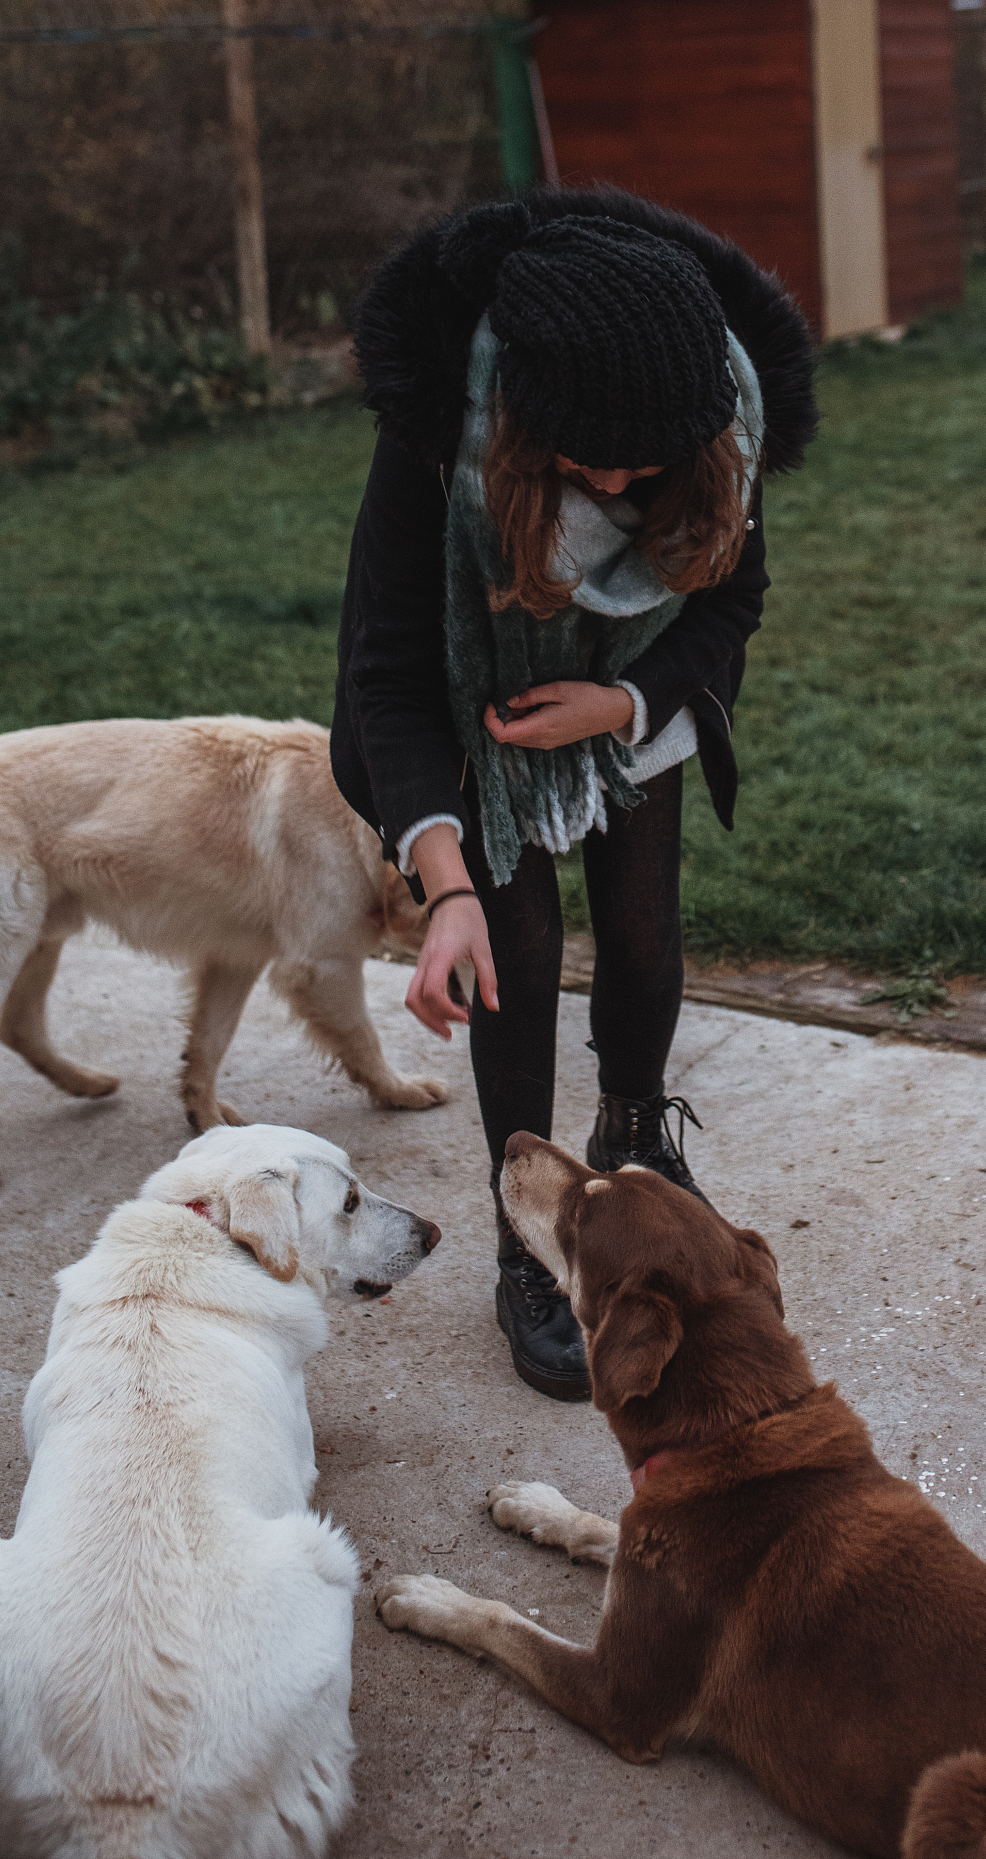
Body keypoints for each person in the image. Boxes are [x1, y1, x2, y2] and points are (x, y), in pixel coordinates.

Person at [331, 187, 817, 1401]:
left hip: (623, 714)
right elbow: (388, 674)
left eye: (634, 459)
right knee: (519, 952)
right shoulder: (438, 443)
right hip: (469, 735)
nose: (608, 473)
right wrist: (442, 886)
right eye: (579, 453)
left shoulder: (716, 427)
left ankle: (635, 1131)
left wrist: (627, 702)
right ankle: (525, 1236)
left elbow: (731, 602)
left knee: (646, 943)